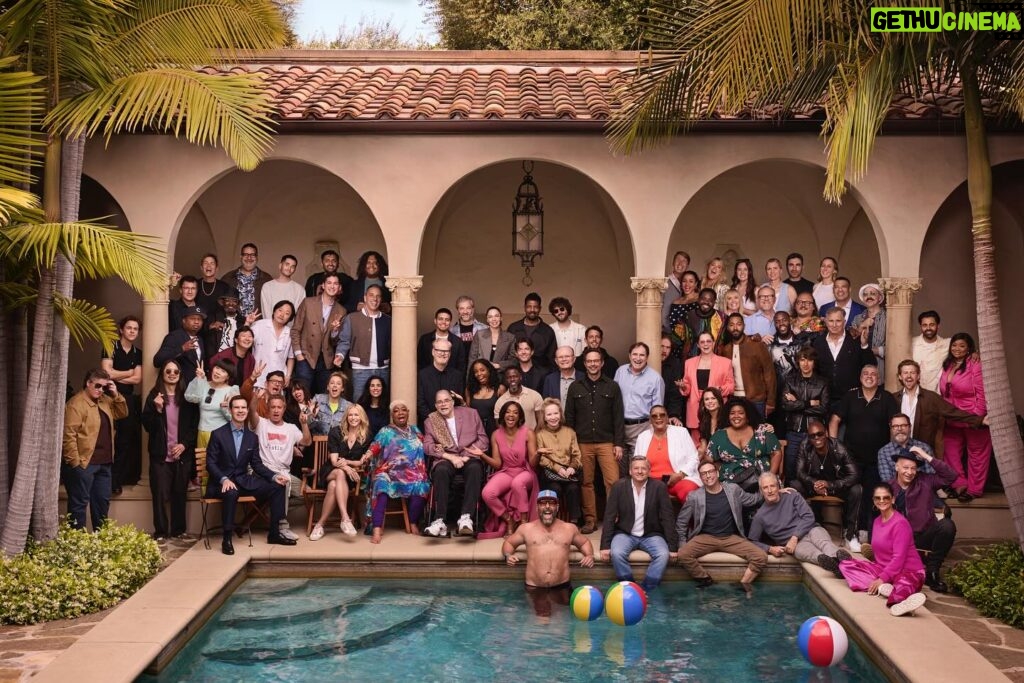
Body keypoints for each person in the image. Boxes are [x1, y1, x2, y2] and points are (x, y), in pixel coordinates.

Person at [204, 395, 296, 554]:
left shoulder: (251, 437)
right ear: (230, 410)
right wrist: (224, 479)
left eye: (243, 408)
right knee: (231, 492)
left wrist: (274, 476)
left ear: (247, 411)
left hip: (242, 481)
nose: (240, 411)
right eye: (237, 407)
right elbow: (210, 463)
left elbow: (257, 465)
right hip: (220, 484)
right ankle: (227, 539)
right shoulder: (218, 434)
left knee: (278, 486)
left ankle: (274, 533)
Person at [838, 483, 928, 616]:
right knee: (846, 565)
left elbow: (899, 558)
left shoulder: (900, 523)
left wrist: (881, 578)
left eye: (886, 497)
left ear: (893, 499)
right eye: (877, 498)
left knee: (903, 584)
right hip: (885, 568)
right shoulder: (876, 521)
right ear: (874, 501)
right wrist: (881, 574)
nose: (882, 501)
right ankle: (888, 588)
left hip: (909, 571)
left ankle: (899, 601)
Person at [502, 490, 595, 618]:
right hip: (535, 588)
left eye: (551, 503)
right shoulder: (526, 529)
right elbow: (510, 543)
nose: (547, 506)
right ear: (537, 507)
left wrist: (589, 555)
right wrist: (508, 555)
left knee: (563, 626)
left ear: (557, 507)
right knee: (540, 625)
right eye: (542, 503)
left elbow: (584, 542)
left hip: (562, 587)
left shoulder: (569, 528)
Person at [830, 364, 898, 536]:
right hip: (852, 458)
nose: (869, 376)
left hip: (878, 459)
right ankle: (848, 530)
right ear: (860, 378)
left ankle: (865, 531)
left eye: (873, 374)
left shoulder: (887, 398)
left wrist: (892, 450)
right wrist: (834, 447)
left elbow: (895, 425)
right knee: (852, 493)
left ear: (879, 379)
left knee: (872, 494)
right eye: (865, 373)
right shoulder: (851, 396)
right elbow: (834, 420)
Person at [676, 462, 767, 590]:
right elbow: (681, 522)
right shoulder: (694, 496)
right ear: (700, 478)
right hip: (705, 538)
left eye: (710, 472)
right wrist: (682, 543)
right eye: (703, 474)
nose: (708, 476)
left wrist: (772, 491)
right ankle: (705, 579)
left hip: (730, 538)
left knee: (761, 556)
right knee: (683, 554)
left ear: (717, 473)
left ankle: (743, 584)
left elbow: (752, 499)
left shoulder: (733, 490)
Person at [565, 348, 626, 534]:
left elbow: (618, 417)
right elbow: (569, 418)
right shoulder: (575, 387)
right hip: (582, 443)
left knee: (613, 482)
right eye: (589, 361)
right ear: (584, 363)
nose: (593, 364)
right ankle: (590, 520)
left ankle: (613, 520)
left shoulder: (612, 386)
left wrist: (618, 443)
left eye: (596, 361)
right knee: (586, 482)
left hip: (607, 442)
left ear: (602, 363)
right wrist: (571, 446)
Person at [61, 369, 128, 530]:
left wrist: (115, 394)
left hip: (104, 463)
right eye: (97, 385)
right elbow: (68, 436)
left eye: (104, 387)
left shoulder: (105, 400)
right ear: (88, 383)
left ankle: (100, 542)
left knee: (101, 504)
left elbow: (122, 413)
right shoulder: (76, 404)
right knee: (79, 505)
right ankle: (77, 543)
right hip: (84, 463)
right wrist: (75, 463)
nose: (100, 390)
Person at [600, 455, 679, 592]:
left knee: (663, 554)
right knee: (617, 553)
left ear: (649, 471)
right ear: (630, 471)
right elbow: (609, 517)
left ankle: (647, 589)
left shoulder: (659, 487)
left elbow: (668, 517)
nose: (640, 471)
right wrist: (605, 545)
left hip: (651, 534)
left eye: (643, 468)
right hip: (625, 533)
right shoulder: (619, 486)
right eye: (636, 468)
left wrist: (673, 547)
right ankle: (630, 588)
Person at [748, 472, 850, 576]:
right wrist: (770, 549)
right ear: (761, 491)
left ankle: (840, 559)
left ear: (778, 486)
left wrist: (794, 537)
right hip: (797, 546)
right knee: (808, 554)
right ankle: (833, 564)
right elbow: (752, 541)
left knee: (824, 543)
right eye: (765, 488)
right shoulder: (760, 516)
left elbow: (808, 516)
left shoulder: (792, 496)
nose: (769, 490)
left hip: (811, 530)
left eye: (772, 486)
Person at [141, 360, 198, 540]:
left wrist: (184, 445)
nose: (172, 374)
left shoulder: (187, 398)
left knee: (179, 494)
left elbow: (193, 426)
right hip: (160, 455)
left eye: (176, 371)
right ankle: (160, 532)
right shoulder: (154, 396)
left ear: (180, 375)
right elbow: (147, 426)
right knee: (159, 495)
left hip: (182, 455)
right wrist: (157, 409)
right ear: (163, 374)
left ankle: (178, 530)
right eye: (168, 371)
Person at [888, 446, 957, 592]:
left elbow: (951, 476)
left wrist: (926, 456)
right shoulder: (888, 488)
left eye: (913, 468)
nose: (910, 472)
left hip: (922, 535)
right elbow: (876, 518)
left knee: (947, 525)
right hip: (898, 540)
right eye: (905, 467)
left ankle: (932, 572)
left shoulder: (925, 481)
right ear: (897, 467)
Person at [422, 389, 489, 537]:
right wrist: (450, 457)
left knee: (475, 469)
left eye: (446, 400)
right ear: (435, 405)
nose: (443, 404)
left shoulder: (471, 414)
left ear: (453, 402)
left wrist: (465, 455)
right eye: (439, 402)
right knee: (440, 471)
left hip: (469, 456)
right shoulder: (431, 421)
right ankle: (439, 521)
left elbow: (483, 440)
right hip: (447, 459)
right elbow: (427, 446)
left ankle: (466, 518)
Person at [891, 358, 982, 460]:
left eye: (912, 373)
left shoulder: (931, 398)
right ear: (900, 376)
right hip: (899, 451)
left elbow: (953, 412)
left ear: (918, 376)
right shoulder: (892, 399)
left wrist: (980, 420)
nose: (908, 376)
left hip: (924, 453)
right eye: (905, 373)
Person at [365, 400, 429, 543]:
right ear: (392, 415)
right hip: (388, 473)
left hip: (412, 473)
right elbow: (375, 446)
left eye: (403, 410)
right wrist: (367, 455)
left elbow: (426, 446)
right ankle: (376, 528)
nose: (400, 413)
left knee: (423, 485)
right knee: (380, 484)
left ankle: (413, 522)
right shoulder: (385, 431)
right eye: (396, 410)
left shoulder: (416, 431)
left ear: (408, 413)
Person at [250, 394, 312, 542]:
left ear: (284, 409)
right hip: (263, 472)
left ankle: (273, 510)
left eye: (279, 407)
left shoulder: (290, 428)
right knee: (282, 483)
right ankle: (282, 526)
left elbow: (307, 442)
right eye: (273, 407)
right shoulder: (261, 424)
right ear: (268, 409)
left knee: (308, 494)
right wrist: (255, 398)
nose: (276, 410)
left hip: (285, 472)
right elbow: (251, 410)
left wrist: (304, 424)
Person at [939, 333, 992, 503]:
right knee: (950, 451)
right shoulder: (948, 364)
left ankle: (974, 490)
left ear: (969, 348)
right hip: (952, 416)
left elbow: (982, 392)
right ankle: (960, 484)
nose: (957, 349)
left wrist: (978, 417)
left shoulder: (975, 364)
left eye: (962, 345)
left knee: (977, 454)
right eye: (954, 345)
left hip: (972, 416)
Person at [793, 420, 862, 549]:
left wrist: (829, 485)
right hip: (813, 487)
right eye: (812, 436)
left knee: (856, 489)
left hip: (836, 486)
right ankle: (809, 527)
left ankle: (850, 534)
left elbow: (854, 475)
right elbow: (799, 472)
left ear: (826, 433)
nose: (816, 438)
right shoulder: (804, 446)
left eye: (819, 434)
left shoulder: (839, 448)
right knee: (795, 485)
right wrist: (814, 484)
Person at [310, 404, 371, 540]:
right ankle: (345, 518)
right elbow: (333, 460)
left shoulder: (366, 436)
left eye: (356, 415)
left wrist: (348, 463)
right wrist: (347, 467)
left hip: (347, 477)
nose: (353, 418)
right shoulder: (336, 431)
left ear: (361, 417)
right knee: (340, 473)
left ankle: (319, 525)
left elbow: (360, 462)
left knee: (333, 486)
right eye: (350, 415)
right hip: (330, 471)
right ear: (346, 417)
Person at [482, 402, 539, 537]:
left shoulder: (528, 433)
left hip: (525, 471)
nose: (511, 415)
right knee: (487, 492)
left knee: (517, 483)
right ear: (503, 415)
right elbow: (497, 464)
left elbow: (533, 463)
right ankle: (509, 520)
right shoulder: (496, 434)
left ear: (520, 416)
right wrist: (482, 455)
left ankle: (524, 524)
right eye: (508, 412)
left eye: (515, 412)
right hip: (506, 471)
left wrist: (539, 453)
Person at [101, 315, 143, 494]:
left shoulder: (138, 353)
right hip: (108, 396)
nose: (132, 331)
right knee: (107, 438)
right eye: (129, 328)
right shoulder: (110, 346)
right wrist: (128, 372)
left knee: (124, 441)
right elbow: (105, 374)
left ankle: (115, 481)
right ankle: (105, 480)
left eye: (135, 329)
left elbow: (138, 378)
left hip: (127, 399)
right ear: (121, 329)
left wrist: (116, 374)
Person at [706, 398, 782, 491]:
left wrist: (770, 478)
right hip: (731, 485)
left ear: (747, 415)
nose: (736, 416)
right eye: (732, 413)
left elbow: (776, 453)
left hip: (763, 482)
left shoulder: (761, 431)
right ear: (728, 416)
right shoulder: (718, 436)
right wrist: (718, 471)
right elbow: (708, 460)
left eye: (741, 413)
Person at [812, 307, 875, 414]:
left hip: (851, 399)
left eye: (838, 321)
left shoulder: (855, 340)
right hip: (826, 400)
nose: (834, 325)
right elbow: (815, 371)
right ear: (826, 322)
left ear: (844, 322)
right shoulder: (818, 343)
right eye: (831, 321)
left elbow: (871, 365)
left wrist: (864, 345)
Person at [291, 272, 346, 394]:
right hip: (306, 356)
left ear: (339, 287)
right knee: (302, 394)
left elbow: (336, 341)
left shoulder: (341, 310)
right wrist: (298, 354)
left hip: (326, 360)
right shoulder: (308, 303)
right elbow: (295, 329)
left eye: (336, 283)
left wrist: (335, 331)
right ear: (323, 285)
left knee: (324, 396)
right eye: (329, 283)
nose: (332, 286)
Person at [634, 406, 701, 504]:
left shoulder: (681, 432)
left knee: (689, 491)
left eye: (662, 415)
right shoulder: (643, 437)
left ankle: (689, 520)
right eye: (654, 416)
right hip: (650, 482)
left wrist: (681, 474)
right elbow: (636, 463)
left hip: (677, 479)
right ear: (650, 420)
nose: (658, 418)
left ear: (667, 417)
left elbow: (694, 458)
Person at [781, 347, 829, 482]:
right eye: (802, 360)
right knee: (791, 470)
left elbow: (823, 409)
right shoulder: (790, 380)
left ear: (814, 362)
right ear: (798, 362)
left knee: (815, 470)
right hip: (794, 432)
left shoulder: (822, 382)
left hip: (815, 434)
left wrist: (797, 402)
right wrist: (809, 403)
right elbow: (786, 405)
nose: (806, 364)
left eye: (809, 360)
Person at [337, 284, 391, 399]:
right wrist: (340, 355)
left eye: (378, 296)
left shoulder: (388, 320)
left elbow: (393, 345)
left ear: (381, 300)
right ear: (365, 298)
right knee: (360, 403)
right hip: (360, 370)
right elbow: (344, 341)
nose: (375, 299)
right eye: (371, 295)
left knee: (382, 403)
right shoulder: (352, 318)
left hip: (383, 370)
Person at [535, 399, 584, 524]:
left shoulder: (570, 432)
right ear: (544, 417)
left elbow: (576, 454)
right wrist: (558, 468)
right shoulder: (540, 434)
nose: (553, 417)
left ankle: (574, 522)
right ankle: (552, 521)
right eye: (549, 414)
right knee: (555, 488)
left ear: (560, 414)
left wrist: (572, 467)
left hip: (569, 473)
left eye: (556, 413)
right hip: (550, 473)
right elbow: (542, 458)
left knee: (573, 489)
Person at [718, 314, 776, 418]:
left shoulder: (757, 346)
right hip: (734, 399)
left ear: (744, 326)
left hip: (756, 399)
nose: (735, 328)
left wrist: (771, 401)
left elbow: (769, 374)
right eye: (731, 325)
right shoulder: (726, 350)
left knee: (758, 433)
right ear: (727, 327)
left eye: (739, 324)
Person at [680, 331, 734, 441]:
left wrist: (718, 391)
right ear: (698, 345)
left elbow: (731, 385)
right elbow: (687, 385)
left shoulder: (726, 362)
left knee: (718, 440)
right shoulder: (689, 363)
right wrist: (684, 387)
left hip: (716, 407)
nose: (706, 344)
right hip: (695, 407)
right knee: (697, 444)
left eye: (709, 341)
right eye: (702, 342)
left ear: (713, 343)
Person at [615, 342, 665, 460]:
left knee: (637, 464)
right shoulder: (620, 372)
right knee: (619, 467)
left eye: (642, 355)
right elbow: (613, 399)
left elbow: (657, 408)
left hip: (641, 427)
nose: (638, 358)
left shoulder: (655, 378)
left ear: (647, 357)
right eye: (635, 354)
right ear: (629, 356)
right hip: (619, 427)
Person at [184, 359, 238, 446]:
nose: (218, 372)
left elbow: (234, 418)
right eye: (217, 368)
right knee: (202, 459)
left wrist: (224, 409)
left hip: (220, 434)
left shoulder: (231, 391)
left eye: (223, 371)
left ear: (228, 377)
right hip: (201, 432)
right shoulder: (204, 384)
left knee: (218, 459)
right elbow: (190, 397)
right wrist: (199, 379)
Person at [416, 338, 465, 424]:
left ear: (450, 354)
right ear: (433, 352)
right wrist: (436, 421)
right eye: (439, 350)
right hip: (428, 423)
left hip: (453, 423)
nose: (443, 353)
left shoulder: (457, 376)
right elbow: (420, 403)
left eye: (446, 351)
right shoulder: (422, 375)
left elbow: (458, 403)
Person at [154, 305, 207, 380]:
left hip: (195, 386)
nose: (196, 322)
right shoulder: (174, 336)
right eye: (192, 318)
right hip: (179, 385)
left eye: (199, 319)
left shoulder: (200, 339)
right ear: (184, 320)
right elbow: (157, 361)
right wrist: (182, 349)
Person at [250, 300, 295, 387]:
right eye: (280, 310)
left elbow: (291, 357)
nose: (282, 315)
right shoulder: (259, 325)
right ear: (274, 311)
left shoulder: (289, 333)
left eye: (287, 313)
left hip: (278, 378)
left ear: (290, 318)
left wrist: (288, 375)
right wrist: (248, 323)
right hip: (258, 375)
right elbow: (244, 338)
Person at [221, 242, 272, 317]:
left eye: (252, 255)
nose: (249, 258)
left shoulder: (266, 279)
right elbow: (221, 303)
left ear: (257, 258)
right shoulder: (228, 278)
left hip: (258, 324)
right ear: (241, 257)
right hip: (234, 324)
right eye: (246, 254)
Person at [508, 292, 556, 371]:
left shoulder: (548, 331)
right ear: (524, 308)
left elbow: (552, 359)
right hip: (516, 374)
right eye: (529, 307)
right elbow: (508, 354)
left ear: (540, 308)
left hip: (541, 377)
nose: (532, 310)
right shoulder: (513, 328)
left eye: (535, 307)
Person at [851, 283, 887, 375]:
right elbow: (850, 341)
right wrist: (861, 326)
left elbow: (897, 346)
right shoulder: (857, 318)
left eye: (872, 294)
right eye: (865, 294)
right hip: (859, 366)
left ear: (880, 297)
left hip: (881, 367)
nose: (869, 297)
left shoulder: (888, 317)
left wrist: (876, 350)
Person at [416, 307, 466, 374]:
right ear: (435, 321)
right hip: (428, 380)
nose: (444, 322)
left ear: (450, 322)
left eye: (447, 320)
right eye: (440, 319)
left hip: (451, 381)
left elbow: (461, 366)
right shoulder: (424, 340)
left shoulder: (457, 342)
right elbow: (420, 363)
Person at [493, 366, 544, 430]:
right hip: (511, 439)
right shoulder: (500, 402)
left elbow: (540, 421)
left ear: (520, 377)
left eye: (515, 376)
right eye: (509, 377)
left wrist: (533, 437)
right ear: (505, 380)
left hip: (533, 437)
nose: (512, 379)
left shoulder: (534, 395)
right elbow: (500, 426)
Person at [468, 306, 517, 372]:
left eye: (496, 316)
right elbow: (472, 359)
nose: (494, 319)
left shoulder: (510, 337)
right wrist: (469, 380)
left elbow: (514, 361)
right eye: (490, 317)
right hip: (480, 376)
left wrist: (498, 365)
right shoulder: (479, 335)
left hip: (500, 377)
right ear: (487, 320)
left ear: (501, 318)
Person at [204, 289, 250, 356]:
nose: (231, 304)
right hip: (215, 360)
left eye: (234, 301)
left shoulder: (243, 321)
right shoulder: (212, 317)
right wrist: (210, 327)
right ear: (222, 302)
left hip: (235, 360)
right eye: (227, 301)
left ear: (238, 304)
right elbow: (202, 335)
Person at [665, 270, 701, 357]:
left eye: (691, 281)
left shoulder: (701, 300)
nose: (687, 284)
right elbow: (671, 325)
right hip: (676, 346)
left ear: (696, 284)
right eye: (684, 281)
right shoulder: (675, 302)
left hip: (695, 346)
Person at [912, 310, 949, 392]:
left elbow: (963, 346)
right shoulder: (912, 344)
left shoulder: (947, 344)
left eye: (932, 325)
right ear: (920, 326)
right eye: (924, 325)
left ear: (938, 326)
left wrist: (974, 353)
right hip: (916, 393)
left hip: (937, 395)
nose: (928, 328)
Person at [466, 359, 504, 435]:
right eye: (476, 372)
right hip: (475, 431)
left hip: (495, 431)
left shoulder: (500, 389)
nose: (479, 374)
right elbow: (468, 412)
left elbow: (504, 413)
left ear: (489, 370)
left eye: (482, 370)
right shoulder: (469, 389)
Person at [310, 371, 352, 436]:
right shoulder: (318, 399)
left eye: (338, 384)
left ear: (342, 389)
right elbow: (307, 425)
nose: (335, 385)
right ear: (328, 387)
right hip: (320, 442)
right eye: (332, 383)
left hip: (338, 443)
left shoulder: (348, 406)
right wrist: (311, 415)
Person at [194, 253, 233, 322]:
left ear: (216, 268)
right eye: (205, 263)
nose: (208, 266)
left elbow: (229, 308)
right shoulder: (195, 285)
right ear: (201, 267)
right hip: (198, 324)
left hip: (218, 326)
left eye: (212, 263)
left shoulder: (224, 287)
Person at [662, 250, 691, 332]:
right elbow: (662, 312)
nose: (680, 263)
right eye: (678, 260)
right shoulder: (664, 283)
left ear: (687, 266)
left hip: (683, 332)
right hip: (667, 330)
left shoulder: (688, 285)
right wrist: (669, 330)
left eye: (684, 261)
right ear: (673, 263)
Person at [454, 295, 487, 360]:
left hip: (478, 367)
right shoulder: (452, 331)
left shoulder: (485, 328)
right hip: (459, 368)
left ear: (473, 309)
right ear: (458, 310)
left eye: (468, 308)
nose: (465, 312)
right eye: (461, 308)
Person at [696, 388, 726, 458]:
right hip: (711, 458)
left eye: (713, 398)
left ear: (719, 401)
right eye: (707, 399)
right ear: (703, 404)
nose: (710, 401)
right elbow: (703, 448)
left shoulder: (726, 419)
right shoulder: (704, 420)